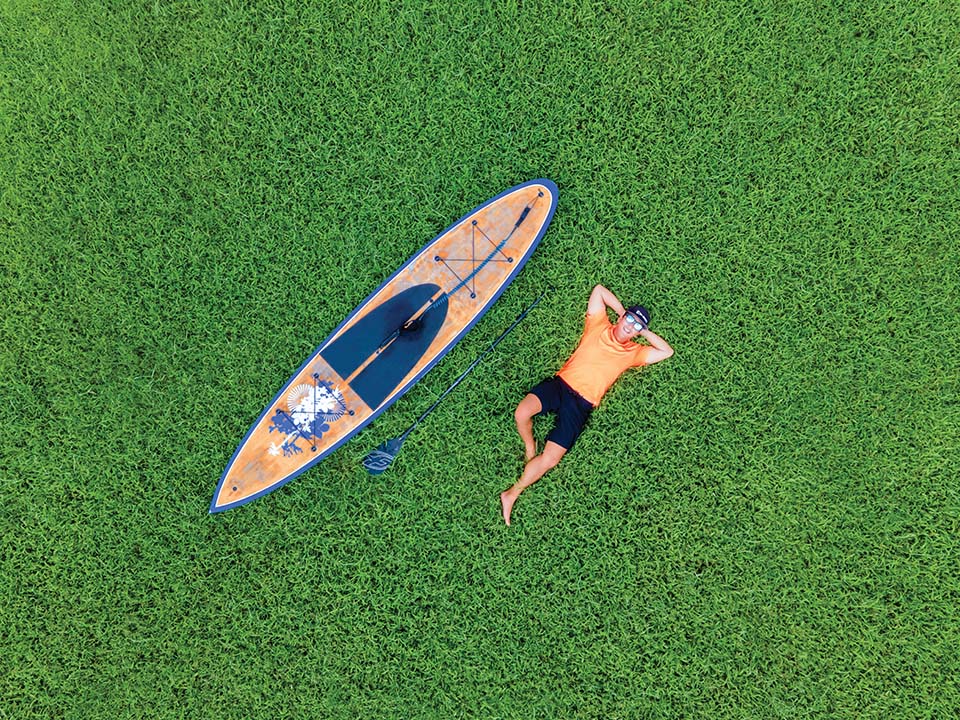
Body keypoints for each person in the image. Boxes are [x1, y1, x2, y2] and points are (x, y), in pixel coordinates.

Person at [499, 284, 674, 525]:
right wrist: (623, 311)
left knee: (550, 460)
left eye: (636, 327)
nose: (629, 328)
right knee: (522, 412)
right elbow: (599, 291)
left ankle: (512, 493)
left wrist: (642, 331)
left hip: (581, 405)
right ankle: (530, 445)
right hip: (560, 385)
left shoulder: (635, 352)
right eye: (629, 320)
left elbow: (666, 351)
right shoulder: (598, 325)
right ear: (621, 317)